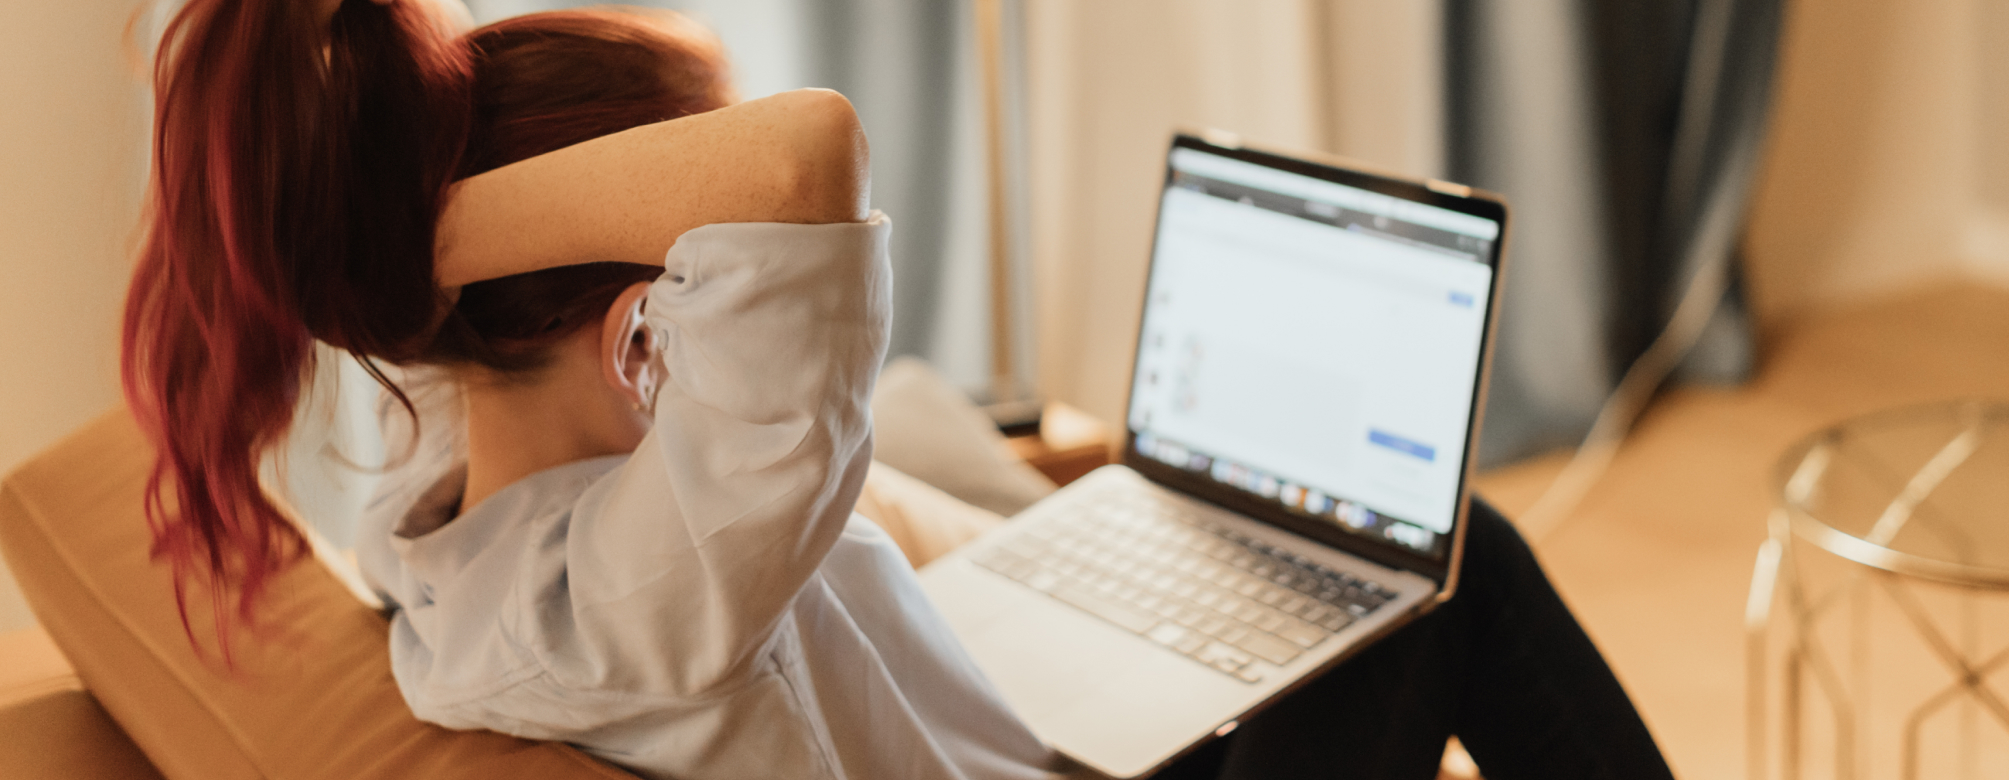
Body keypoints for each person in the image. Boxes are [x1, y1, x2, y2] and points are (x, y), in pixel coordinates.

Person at [119, 1, 1677, 778]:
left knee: (1107, 504)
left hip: (1033, 717)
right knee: (1458, 564)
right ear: (644, 325)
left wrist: (401, 249)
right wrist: (427, 242)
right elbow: (800, 157)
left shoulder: (446, 527)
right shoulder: (640, 588)